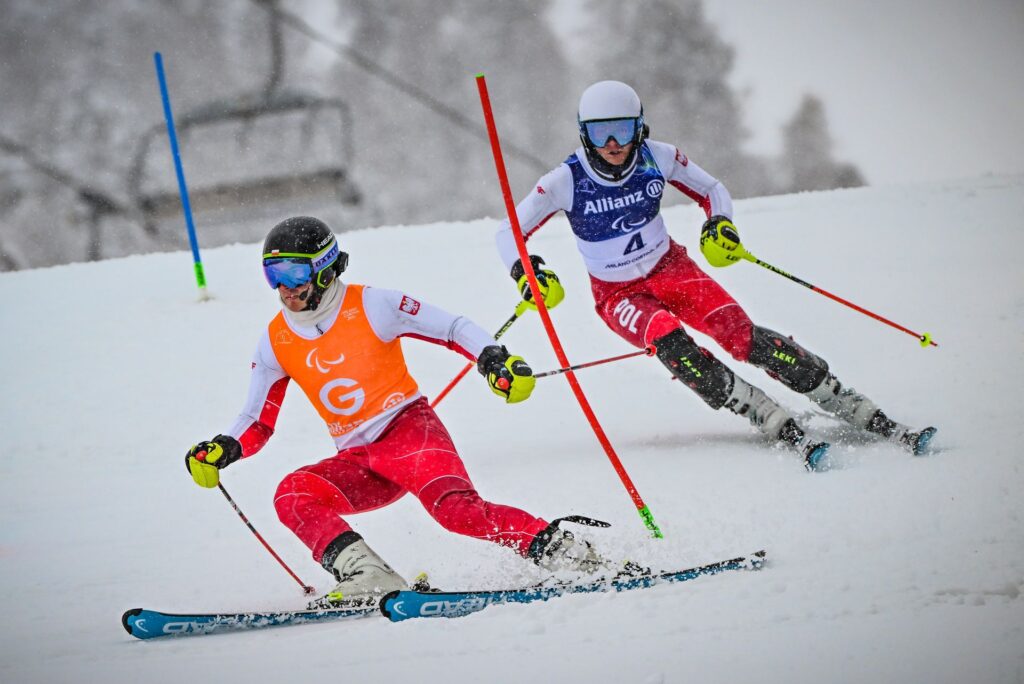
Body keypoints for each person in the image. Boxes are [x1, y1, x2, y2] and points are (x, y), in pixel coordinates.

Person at [495, 81, 935, 470]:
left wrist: (718, 222)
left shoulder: (658, 158)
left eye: (623, 129)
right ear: (583, 133)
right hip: (619, 294)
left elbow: (712, 189)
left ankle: (841, 398)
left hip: (672, 268)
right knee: (670, 342)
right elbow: (507, 233)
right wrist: (526, 271)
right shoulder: (565, 181)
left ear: (640, 127)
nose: (612, 142)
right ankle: (761, 412)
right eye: (599, 131)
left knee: (741, 335)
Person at [185, 216, 609, 608]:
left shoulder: (373, 304)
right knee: (292, 494)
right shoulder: (276, 339)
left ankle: (570, 553)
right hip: (361, 461)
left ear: (326, 268)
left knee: (457, 513)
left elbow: (452, 327)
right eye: (273, 276)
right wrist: (223, 448)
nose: (285, 288)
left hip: (409, 433)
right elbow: (258, 420)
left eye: (295, 274)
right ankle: (368, 575)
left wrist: (494, 360)